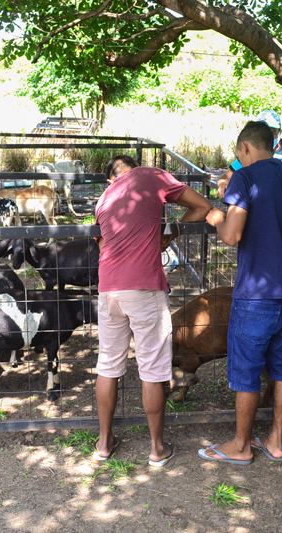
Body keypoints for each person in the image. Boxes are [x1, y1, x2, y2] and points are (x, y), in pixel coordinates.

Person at [198, 122, 282, 465]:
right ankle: (275, 440)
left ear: (244, 148)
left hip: (255, 294)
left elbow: (232, 235)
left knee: (245, 371)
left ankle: (241, 446)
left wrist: (216, 218)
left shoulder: (245, 177)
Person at [94, 155, 216, 466]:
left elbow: (102, 244)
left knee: (108, 364)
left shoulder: (104, 198)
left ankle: (104, 443)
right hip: (144, 286)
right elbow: (202, 206)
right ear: (135, 170)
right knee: (152, 369)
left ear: (112, 180)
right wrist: (167, 236)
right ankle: (157, 448)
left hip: (108, 286)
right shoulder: (151, 175)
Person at [217, 109, 282, 198]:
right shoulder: (246, 157)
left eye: (272, 132)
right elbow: (227, 175)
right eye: (263, 132)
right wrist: (223, 183)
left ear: (280, 132)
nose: (267, 136)